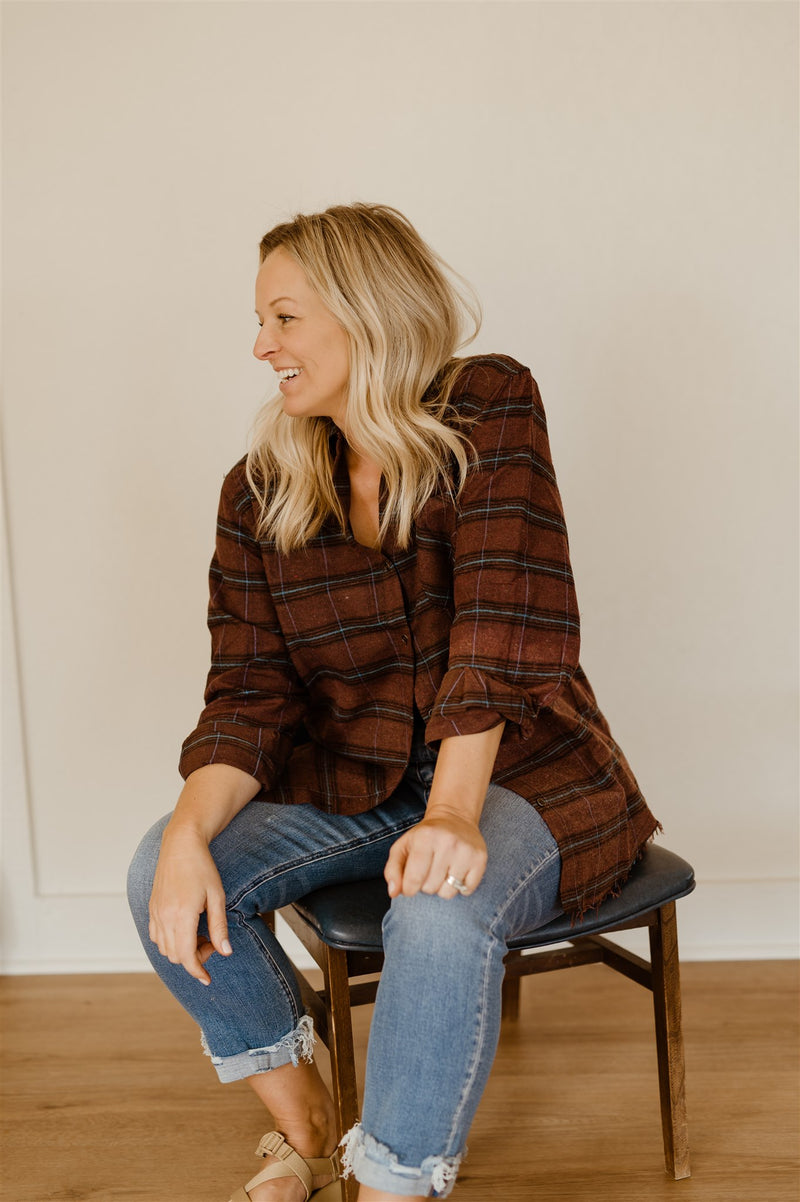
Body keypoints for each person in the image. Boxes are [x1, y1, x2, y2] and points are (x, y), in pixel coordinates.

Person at [127, 203, 659, 1202]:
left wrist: (455, 809)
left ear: (362, 313)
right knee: (159, 868)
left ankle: (394, 1181)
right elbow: (247, 691)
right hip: (357, 781)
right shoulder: (257, 491)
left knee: (438, 908)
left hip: (522, 773)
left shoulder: (487, 405)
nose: (259, 346)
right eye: (259, 321)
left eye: (282, 318)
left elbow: (498, 618)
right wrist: (190, 832)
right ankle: (309, 1126)